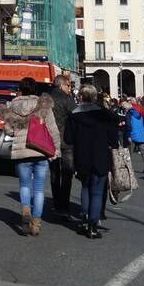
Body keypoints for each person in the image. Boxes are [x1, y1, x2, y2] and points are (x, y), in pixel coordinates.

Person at [0, 77, 61, 237]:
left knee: (25, 185)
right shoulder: (44, 105)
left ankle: (25, 210)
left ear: (20, 89)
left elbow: (9, 130)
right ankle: (36, 223)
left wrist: (20, 130)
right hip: (40, 151)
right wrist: (56, 150)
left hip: (21, 151)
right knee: (39, 189)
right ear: (36, 89)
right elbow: (53, 129)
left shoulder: (12, 106)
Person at [65, 83, 120, 239]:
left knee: (85, 187)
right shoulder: (104, 114)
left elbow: (68, 139)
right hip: (101, 155)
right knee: (97, 191)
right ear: (95, 97)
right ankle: (93, 226)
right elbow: (113, 139)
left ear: (80, 97)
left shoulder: (73, 115)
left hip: (82, 155)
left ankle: (84, 219)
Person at [45, 73, 77, 221]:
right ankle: (64, 205)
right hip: (66, 141)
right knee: (67, 173)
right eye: (68, 86)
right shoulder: (67, 99)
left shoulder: (45, 99)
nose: (69, 89)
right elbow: (76, 116)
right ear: (62, 85)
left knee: (54, 172)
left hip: (50, 140)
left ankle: (57, 202)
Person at [125, 100, 144, 175]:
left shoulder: (129, 114)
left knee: (130, 153)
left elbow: (129, 125)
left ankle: (129, 168)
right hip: (141, 133)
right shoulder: (139, 113)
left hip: (133, 134)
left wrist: (128, 135)